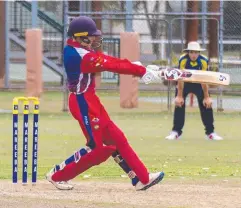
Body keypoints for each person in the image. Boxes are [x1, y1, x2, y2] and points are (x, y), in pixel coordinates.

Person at [46, 16, 164, 191]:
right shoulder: (80, 55)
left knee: (117, 138)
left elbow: (108, 60)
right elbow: (109, 65)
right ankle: (57, 175)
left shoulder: (79, 49)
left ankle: (141, 179)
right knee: (97, 149)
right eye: (91, 36)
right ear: (80, 35)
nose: (94, 39)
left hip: (90, 99)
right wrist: (140, 71)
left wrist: (135, 66)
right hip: (82, 102)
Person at [165, 41, 223, 141]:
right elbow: (180, 78)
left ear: (199, 53)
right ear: (188, 52)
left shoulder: (203, 61)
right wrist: (179, 96)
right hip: (185, 83)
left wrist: (206, 97)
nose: (193, 55)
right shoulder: (183, 59)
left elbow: (204, 79)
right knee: (179, 104)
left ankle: (210, 132)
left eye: (196, 52)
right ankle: (176, 132)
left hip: (199, 83)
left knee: (207, 105)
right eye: (191, 52)